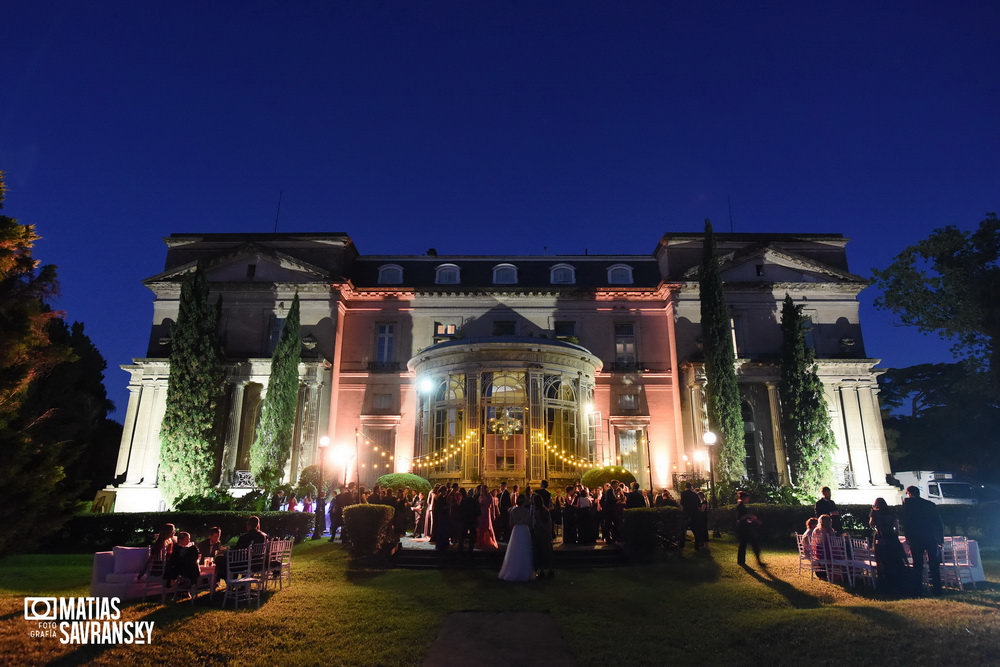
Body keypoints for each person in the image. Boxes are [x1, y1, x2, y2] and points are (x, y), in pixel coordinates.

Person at [901, 485, 945, 595]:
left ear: (909, 493)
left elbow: (906, 522)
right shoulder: (930, 504)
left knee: (918, 564)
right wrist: (940, 539)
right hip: (930, 537)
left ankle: (917, 589)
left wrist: (908, 536)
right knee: (934, 564)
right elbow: (938, 523)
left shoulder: (908, 504)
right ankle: (937, 588)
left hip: (916, 538)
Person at [869, 497, 907, 593]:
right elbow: (897, 527)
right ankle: (898, 583)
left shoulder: (875, 513)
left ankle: (884, 583)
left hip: (881, 538)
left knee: (882, 560)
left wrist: (873, 512)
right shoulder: (891, 513)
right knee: (894, 560)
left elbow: (871, 524)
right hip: (891, 538)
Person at [499, 494, 534, 581]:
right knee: (525, 550)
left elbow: (511, 523)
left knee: (515, 550)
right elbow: (529, 522)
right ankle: (525, 571)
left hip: (516, 530)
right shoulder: (526, 511)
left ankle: (513, 569)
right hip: (524, 530)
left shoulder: (513, 511)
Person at [530, 493, 554, 579]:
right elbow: (549, 523)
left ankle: (542, 570)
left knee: (540, 552)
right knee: (547, 551)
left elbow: (537, 523)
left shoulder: (537, 512)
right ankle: (550, 569)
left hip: (540, 533)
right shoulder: (546, 510)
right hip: (546, 533)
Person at [736, 491, 763, 567]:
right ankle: (756, 560)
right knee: (752, 543)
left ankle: (741, 561)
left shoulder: (741, 505)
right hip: (744, 528)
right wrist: (750, 516)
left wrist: (751, 519)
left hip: (745, 527)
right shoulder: (740, 506)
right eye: (748, 498)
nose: (748, 499)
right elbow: (741, 517)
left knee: (744, 544)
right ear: (744, 498)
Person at [680, 483, 702, 551]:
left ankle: (681, 544)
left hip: (686, 514)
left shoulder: (683, 493)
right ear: (691, 487)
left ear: (685, 487)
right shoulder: (694, 494)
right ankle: (697, 545)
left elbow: (682, 503)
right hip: (694, 514)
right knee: (695, 530)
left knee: (683, 529)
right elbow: (699, 503)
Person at [476, 485, 499, 550]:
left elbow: (492, 506)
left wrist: (493, 514)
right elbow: (479, 504)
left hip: (487, 513)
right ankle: (481, 542)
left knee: (488, 526)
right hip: (481, 513)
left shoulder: (489, 496)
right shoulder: (480, 496)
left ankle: (488, 541)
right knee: (481, 527)